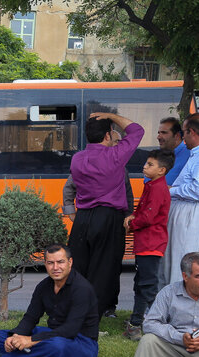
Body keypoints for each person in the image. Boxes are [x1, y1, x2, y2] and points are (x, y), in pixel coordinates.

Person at [0, 244, 99, 357]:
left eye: (60, 262)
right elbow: (30, 318)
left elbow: (70, 329)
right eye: (50, 263)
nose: (55, 267)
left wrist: (31, 340)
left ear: (70, 262)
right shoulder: (44, 286)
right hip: (52, 335)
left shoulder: (82, 289)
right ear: (45, 264)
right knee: (1, 336)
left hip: (81, 342)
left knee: (57, 347)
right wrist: (16, 336)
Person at [68, 112, 144, 318]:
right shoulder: (115, 155)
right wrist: (111, 115)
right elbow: (137, 130)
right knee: (104, 269)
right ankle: (95, 314)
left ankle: (76, 309)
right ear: (108, 135)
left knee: (80, 265)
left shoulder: (77, 159)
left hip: (83, 217)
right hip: (108, 216)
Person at [159, 113, 199, 286]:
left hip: (188, 212)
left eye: (184, 133)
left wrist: (172, 191)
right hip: (186, 210)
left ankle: (179, 308)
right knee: (172, 264)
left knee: (179, 265)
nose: (182, 138)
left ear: (192, 132)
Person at [62, 168, 134, 319]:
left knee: (110, 266)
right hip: (85, 217)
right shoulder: (85, 163)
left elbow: (127, 194)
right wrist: (70, 211)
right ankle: (77, 305)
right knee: (79, 264)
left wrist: (128, 217)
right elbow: (69, 187)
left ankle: (107, 306)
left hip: (112, 220)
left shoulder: (120, 167)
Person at [122, 149, 173, 341]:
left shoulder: (158, 188)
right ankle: (139, 321)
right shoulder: (152, 185)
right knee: (142, 284)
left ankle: (146, 323)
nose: (145, 166)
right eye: (146, 163)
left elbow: (148, 216)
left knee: (147, 286)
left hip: (152, 243)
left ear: (162, 170)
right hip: (146, 243)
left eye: (150, 164)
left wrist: (131, 224)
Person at [156, 117, 190, 186]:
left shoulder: (190, 155)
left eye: (164, 133)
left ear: (177, 136)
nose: (158, 137)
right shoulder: (156, 155)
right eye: (159, 133)